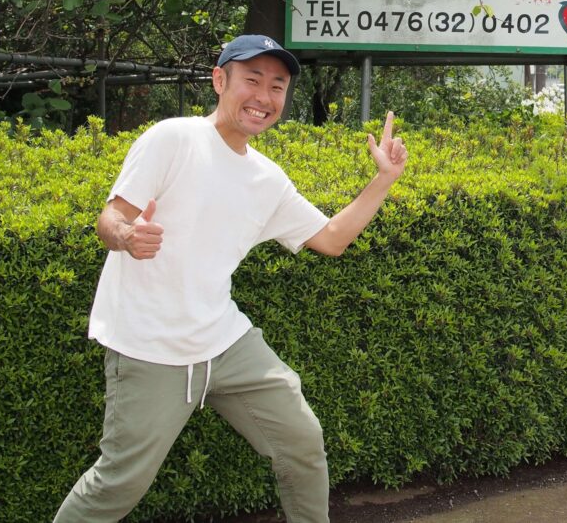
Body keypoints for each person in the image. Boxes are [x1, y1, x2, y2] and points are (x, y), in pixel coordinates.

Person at [54, 34, 408, 523]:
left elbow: (331, 238)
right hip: (149, 345)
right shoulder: (172, 138)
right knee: (119, 481)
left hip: (224, 341)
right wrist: (127, 236)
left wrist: (383, 179)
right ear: (220, 81)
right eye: (252, 80)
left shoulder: (267, 179)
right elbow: (109, 218)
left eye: (277, 86)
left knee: (302, 441)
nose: (264, 97)